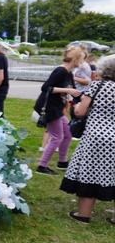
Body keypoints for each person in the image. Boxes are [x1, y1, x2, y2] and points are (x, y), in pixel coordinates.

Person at [60, 54, 115, 224]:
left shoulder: (96, 86)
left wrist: (76, 105)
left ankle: (84, 215)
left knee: (89, 173)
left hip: (94, 137)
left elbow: (80, 112)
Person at [34, 46, 84, 175]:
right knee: (57, 137)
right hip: (49, 107)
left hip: (57, 107)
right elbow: (46, 88)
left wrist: (86, 100)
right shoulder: (60, 71)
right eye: (82, 59)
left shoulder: (69, 73)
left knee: (67, 134)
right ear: (76, 59)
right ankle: (42, 165)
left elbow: (75, 92)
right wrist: (67, 91)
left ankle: (62, 162)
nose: (82, 63)